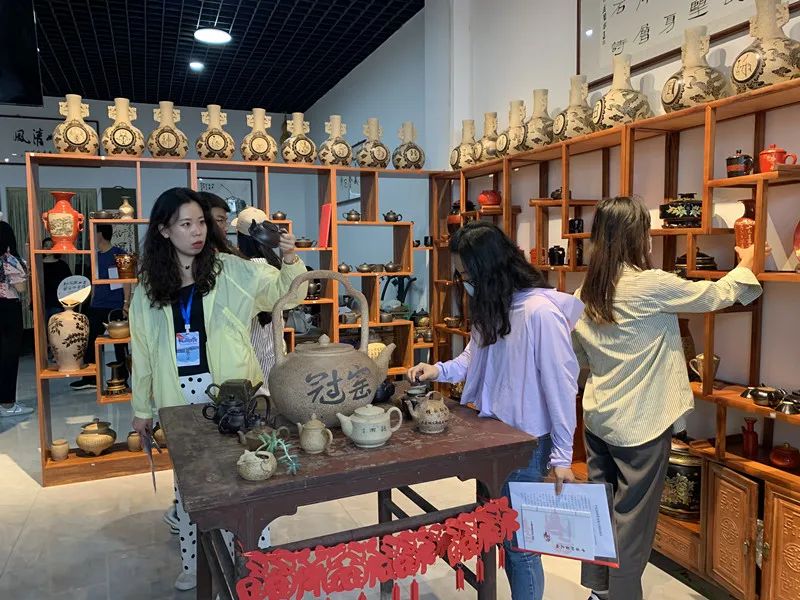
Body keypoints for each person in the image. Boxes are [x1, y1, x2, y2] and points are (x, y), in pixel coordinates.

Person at [571, 196, 763, 600]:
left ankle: (598, 592)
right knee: (632, 524)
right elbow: (715, 296)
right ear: (636, 236)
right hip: (640, 425)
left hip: (598, 419)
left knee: (600, 511)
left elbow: (582, 357)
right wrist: (747, 261)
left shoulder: (586, 291)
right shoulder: (650, 284)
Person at [129, 187, 307, 590]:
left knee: (248, 473)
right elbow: (142, 350)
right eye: (186, 224)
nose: (197, 232)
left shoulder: (231, 270)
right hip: (178, 395)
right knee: (191, 488)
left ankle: (255, 560)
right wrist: (141, 409)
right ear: (163, 230)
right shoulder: (148, 286)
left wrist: (290, 260)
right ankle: (193, 564)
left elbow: (286, 295)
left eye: (201, 223)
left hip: (232, 391)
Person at [407, 221, 582, 600]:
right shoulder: (494, 307)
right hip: (493, 438)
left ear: (489, 270)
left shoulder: (540, 313)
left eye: (467, 275)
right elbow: (473, 358)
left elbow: (562, 387)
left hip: (527, 444)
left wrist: (562, 456)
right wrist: (437, 370)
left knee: (521, 546)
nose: (464, 282)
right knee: (498, 532)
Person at [70, 224, 130, 390]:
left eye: (93, 233)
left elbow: (127, 280)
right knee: (90, 341)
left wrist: (126, 303)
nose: (91, 237)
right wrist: (91, 301)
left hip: (115, 305)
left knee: (120, 345)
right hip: (97, 305)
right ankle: (90, 378)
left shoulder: (120, 254)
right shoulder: (94, 256)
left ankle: (122, 379)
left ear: (101, 234)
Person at [232, 207, 284, 396]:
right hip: (275, 341)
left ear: (240, 237)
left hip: (249, 337)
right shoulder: (275, 265)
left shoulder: (240, 268)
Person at [0, 221, 33, 417]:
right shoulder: (9, 260)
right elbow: (21, 288)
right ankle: (7, 403)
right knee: (9, 356)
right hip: (8, 309)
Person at [41, 237, 72, 322]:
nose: (48, 248)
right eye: (46, 246)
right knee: (41, 328)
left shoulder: (62, 265)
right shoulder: (37, 264)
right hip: (40, 302)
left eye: (51, 246)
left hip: (57, 303)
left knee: (56, 327)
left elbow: (68, 285)